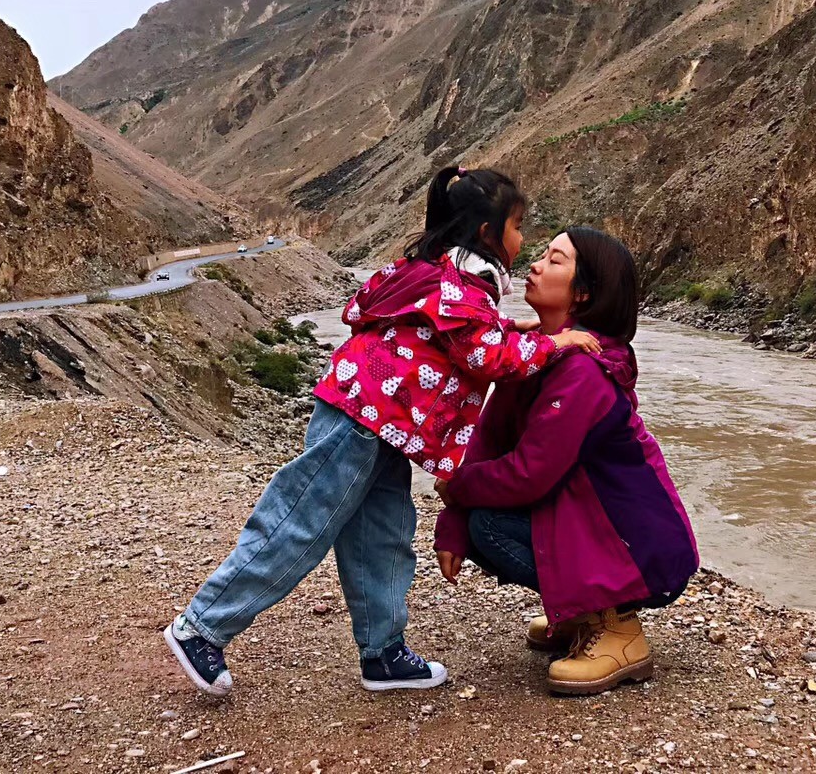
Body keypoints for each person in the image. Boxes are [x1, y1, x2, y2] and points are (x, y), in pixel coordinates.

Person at [164, 167, 603, 697]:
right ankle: (202, 626)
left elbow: (458, 332)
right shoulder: (461, 287)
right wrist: (554, 343)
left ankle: (384, 653)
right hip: (365, 419)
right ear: (488, 233)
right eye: (517, 226)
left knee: (383, 535)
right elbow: (488, 358)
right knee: (300, 523)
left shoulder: (442, 275)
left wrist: (512, 328)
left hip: (383, 423)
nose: (522, 238)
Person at [433, 227, 698, 696]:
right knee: (477, 521)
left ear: (584, 293)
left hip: (639, 544)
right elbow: (490, 442)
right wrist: (452, 519)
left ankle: (617, 628)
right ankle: (581, 611)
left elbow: (530, 473)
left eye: (555, 260)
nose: (535, 265)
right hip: (593, 522)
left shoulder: (584, 370)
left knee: (490, 526)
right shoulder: (538, 351)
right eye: (541, 255)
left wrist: (458, 490)